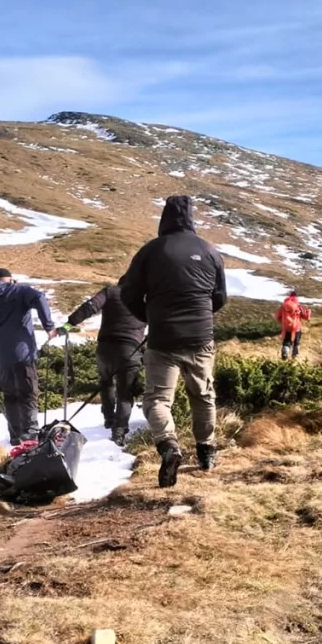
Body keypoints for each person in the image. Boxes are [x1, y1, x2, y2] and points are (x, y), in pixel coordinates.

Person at [121, 194, 227, 487]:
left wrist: (149, 317)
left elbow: (128, 292)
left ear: (164, 218)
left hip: (163, 338)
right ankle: (206, 453)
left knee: (157, 399)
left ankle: (169, 445)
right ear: (191, 217)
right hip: (201, 336)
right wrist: (200, 315)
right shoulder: (209, 250)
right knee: (203, 395)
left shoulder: (151, 251)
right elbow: (220, 297)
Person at [61, 279, 147, 445]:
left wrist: (68, 324)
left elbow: (90, 307)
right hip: (130, 350)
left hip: (104, 348)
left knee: (106, 382)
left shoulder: (111, 292)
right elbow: (161, 319)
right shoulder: (145, 299)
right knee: (125, 392)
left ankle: (109, 419)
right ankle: (119, 431)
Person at [0, 268, 57, 445]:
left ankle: (15, 435)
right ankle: (30, 433)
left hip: (0, 358)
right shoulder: (19, 291)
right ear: (10, 280)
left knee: (10, 396)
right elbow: (39, 297)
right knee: (28, 393)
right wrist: (49, 327)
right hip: (23, 354)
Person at [276, 290, 311, 360]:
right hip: (296, 327)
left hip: (287, 328)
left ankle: (285, 353)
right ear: (296, 297)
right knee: (296, 342)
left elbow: (277, 316)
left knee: (286, 342)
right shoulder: (298, 306)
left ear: (289, 296)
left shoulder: (284, 305)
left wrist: (283, 322)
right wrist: (309, 312)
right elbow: (306, 317)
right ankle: (295, 357)